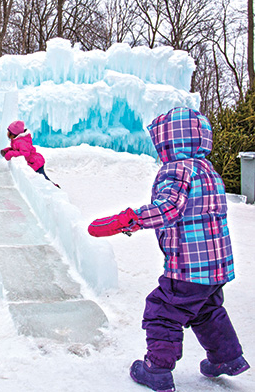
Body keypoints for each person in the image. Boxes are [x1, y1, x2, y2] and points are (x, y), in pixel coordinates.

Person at [88, 107, 249, 392]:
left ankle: (157, 369)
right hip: (217, 264)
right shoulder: (207, 169)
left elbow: (169, 209)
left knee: (163, 310)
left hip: (188, 265)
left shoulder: (176, 170)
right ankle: (226, 358)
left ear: (170, 141)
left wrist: (130, 220)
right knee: (206, 309)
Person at [0, 120, 59, 187]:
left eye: (9, 132)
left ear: (13, 134)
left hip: (35, 163)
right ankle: (53, 186)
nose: (7, 133)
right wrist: (6, 150)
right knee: (43, 178)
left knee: (44, 179)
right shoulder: (18, 140)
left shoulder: (21, 141)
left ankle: (54, 187)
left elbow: (25, 153)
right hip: (34, 160)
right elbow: (16, 149)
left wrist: (10, 154)